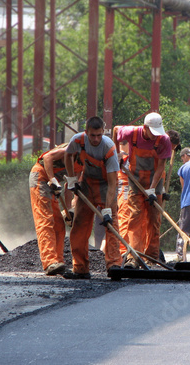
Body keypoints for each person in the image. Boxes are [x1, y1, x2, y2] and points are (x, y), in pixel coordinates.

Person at [63, 116, 122, 279]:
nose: (96, 139)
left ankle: (114, 265)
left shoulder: (109, 148)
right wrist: (72, 179)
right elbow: (68, 155)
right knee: (79, 225)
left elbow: (112, 184)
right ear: (86, 132)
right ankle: (80, 268)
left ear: (103, 132)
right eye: (92, 135)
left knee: (111, 225)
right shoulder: (77, 140)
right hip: (87, 185)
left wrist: (108, 209)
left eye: (99, 135)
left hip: (105, 187)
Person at [112, 112, 172, 268]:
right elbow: (116, 130)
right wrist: (116, 153)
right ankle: (135, 257)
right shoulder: (132, 132)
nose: (154, 137)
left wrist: (152, 189)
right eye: (151, 133)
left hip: (155, 181)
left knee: (154, 219)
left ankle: (152, 257)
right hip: (135, 179)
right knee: (135, 217)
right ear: (144, 127)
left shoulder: (164, 140)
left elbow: (160, 167)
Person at [29, 144, 82, 276]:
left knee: (59, 224)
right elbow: (47, 157)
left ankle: (58, 262)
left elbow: (71, 186)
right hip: (40, 177)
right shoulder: (72, 150)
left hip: (54, 184)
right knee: (46, 219)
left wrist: (69, 211)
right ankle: (49, 262)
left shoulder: (83, 165)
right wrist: (52, 179)